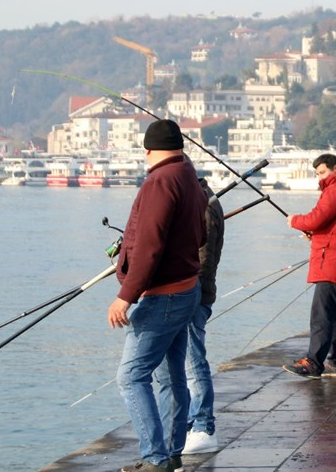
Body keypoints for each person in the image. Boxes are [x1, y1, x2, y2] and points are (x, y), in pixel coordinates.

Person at [110, 119, 207, 472]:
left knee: (131, 376)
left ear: (148, 150)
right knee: (170, 375)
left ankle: (155, 459)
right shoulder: (189, 175)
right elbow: (200, 235)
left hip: (163, 297)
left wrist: (125, 296)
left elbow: (149, 246)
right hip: (187, 289)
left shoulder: (159, 181)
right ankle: (170, 451)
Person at [283, 154, 336, 379]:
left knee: (321, 313)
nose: (319, 178)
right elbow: (335, 225)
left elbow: (316, 218)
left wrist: (295, 221)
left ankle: (313, 363)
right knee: (330, 312)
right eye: (317, 174)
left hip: (334, 259)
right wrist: (317, 235)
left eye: (322, 172)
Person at [177, 178, 224, 455]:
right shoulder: (205, 201)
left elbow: (203, 260)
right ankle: (190, 421)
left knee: (194, 363)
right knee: (184, 362)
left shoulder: (203, 207)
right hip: (195, 292)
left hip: (194, 294)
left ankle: (204, 427)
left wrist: (190, 292)